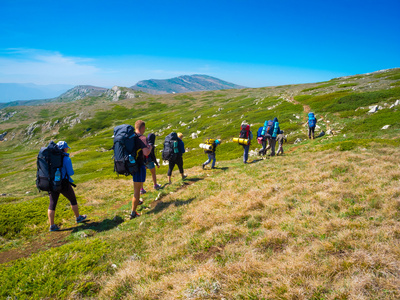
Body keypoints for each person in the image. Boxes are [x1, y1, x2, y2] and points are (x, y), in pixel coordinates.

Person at [48, 141, 86, 231]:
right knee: (73, 200)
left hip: (52, 183)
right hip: (64, 183)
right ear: (64, 148)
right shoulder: (66, 159)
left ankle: (52, 226)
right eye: (67, 147)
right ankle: (78, 218)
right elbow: (70, 172)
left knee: (52, 204)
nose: (67, 149)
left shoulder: (51, 158)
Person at [130, 120, 152, 219]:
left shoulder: (131, 137)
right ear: (142, 127)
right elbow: (146, 153)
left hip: (132, 165)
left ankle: (137, 202)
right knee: (137, 190)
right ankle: (133, 213)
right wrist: (150, 146)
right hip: (139, 166)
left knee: (136, 188)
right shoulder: (142, 138)